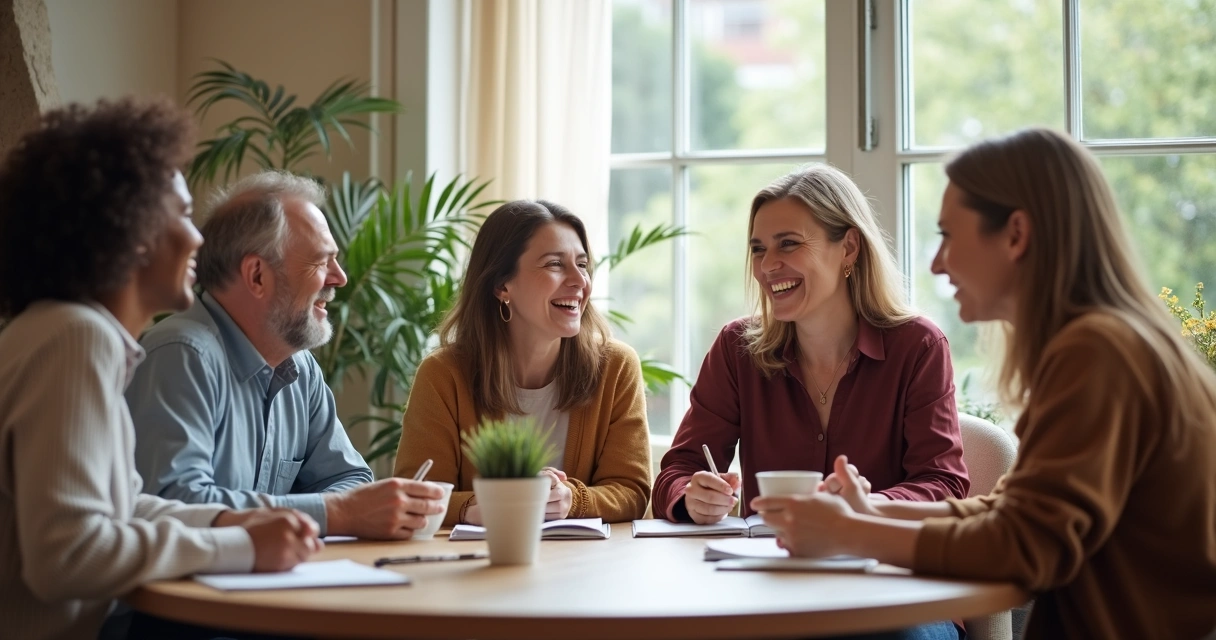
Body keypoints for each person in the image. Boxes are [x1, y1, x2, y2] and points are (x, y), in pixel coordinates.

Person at [754, 129, 1216, 639]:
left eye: (948, 235)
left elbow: (1024, 546)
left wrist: (850, 531)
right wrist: (871, 510)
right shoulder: (1109, 342)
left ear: (1016, 235)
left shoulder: (1098, 354)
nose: (936, 262)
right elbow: (1008, 513)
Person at [0, 98, 320, 640]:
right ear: (130, 226)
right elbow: (68, 555)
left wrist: (229, 520)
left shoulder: (61, 332)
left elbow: (123, 509)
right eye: (179, 213)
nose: (197, 237)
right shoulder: (76, 338)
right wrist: (242, 547)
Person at [126, 170, 444, 540]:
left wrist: (328, 513)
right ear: (258, 276)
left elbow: (350, 478)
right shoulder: (181, 354)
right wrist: (334, 513)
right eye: (321, 262)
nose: (339, 277)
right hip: (180, 597)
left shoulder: (300, 366)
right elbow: (174, 504)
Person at [654, 165, 969, 527]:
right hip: (762, 574)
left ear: (849, 248)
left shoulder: (918, 347)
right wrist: (691, 495)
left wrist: (869, 504)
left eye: (788, 243)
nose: (768, 265)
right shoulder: (736, 348)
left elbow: (944, 483)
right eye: (759, 249)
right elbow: (676, 472)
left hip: (878, 567)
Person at [395, 199, 651, 526]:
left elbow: (633, 491)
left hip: (585, 566)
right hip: (476, 566)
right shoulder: (443, 375)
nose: (579, 281)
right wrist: (495, 504)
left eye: (583, 264)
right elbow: (418, 494)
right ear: (502, 285)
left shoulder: (616, 367)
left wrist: (572, 499)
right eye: (555, 264)